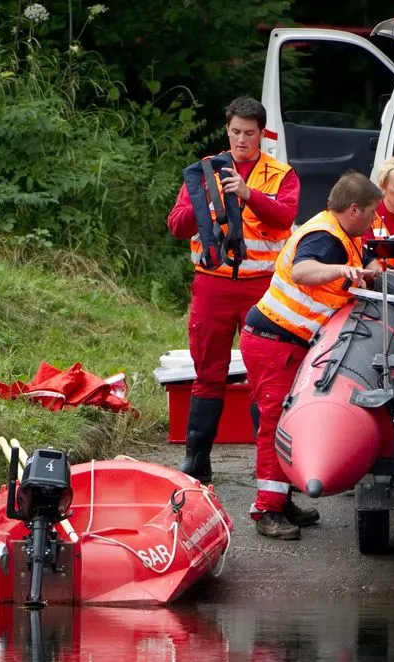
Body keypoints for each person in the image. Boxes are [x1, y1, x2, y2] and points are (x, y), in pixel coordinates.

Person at [241, 171, 384, 540]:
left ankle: (281, 499)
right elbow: (305, 271)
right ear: (354, 209)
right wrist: (342, 271)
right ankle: (266, 511)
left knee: (284, 419)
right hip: (275, 341)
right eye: (370, 212)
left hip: (286, 342)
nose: (372, 219)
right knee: (274, 424)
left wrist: (368, 270)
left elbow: (368, 259)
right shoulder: (324, 239)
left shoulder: (342, 233)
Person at [167, 96, 300, 484]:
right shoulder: (203, 170)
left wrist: (247, 193)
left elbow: (285, 217)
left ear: (262, 135)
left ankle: (272, 470)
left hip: (264, 288)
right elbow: (177, 226)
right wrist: (201, 199)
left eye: (250, 133)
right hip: (213, 285)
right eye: (236, 132)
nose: (242, 139)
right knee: (208, 373)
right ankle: (196, 461)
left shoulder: (281, 174)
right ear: (227, 130)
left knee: (266, 379)